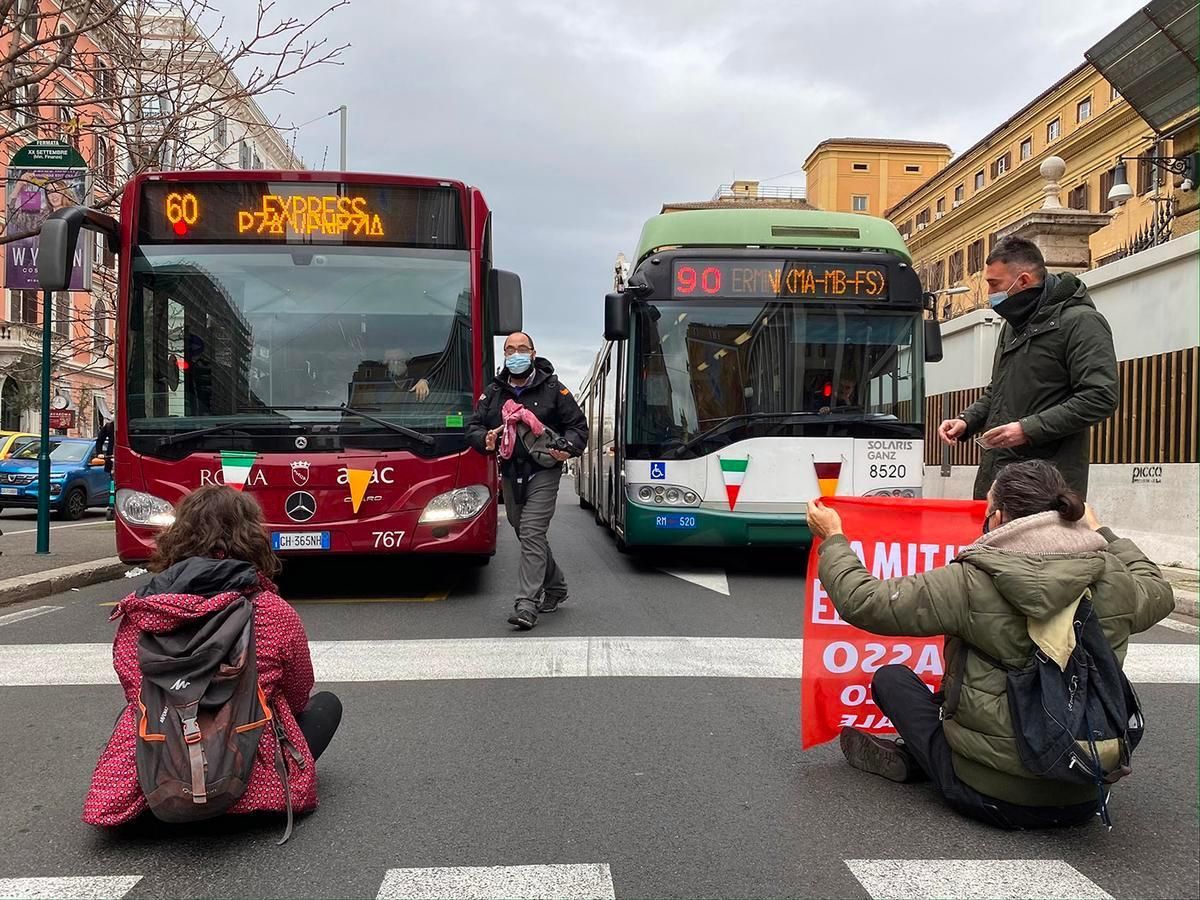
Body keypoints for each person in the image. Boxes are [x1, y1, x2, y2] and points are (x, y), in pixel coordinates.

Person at [806, 459, 1173, 829]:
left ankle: (921, 757)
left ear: (997, 519)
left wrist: (834, 539)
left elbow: (865, 601)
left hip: (989, 795)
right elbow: (1159, 590)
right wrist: (1103, 532)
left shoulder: (970, 580)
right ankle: (923, 753)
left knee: (892, 679)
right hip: (1086, 791)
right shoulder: (1115, 579)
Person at [83, 486, 342, 827]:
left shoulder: (141, 612)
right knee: (326, 704)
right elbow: (297, 691)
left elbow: (135, 690)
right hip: (247, 772)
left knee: (131, 711)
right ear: (251, 538)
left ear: (178, 537)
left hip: (159, 779)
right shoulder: (271, 610)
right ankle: (252, 792)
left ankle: (158, 790)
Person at [936, 236, 1118, 500]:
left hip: (1045, 487)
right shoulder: (1013, 326)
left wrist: (1026, 430)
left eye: (994, 284)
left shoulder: (1081, 322)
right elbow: (997, 391)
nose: (989, 295)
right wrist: (966, 421)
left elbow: (1100, 397)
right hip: (1000, 479)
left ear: (1023, 280)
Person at [466, 331, 588, 630]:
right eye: (510, 349)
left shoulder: (554, 389)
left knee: (532, 531)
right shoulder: (493, 392)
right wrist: (486, 439)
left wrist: (566, 449)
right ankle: (556, 586)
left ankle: (526, 603)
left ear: (533, 353)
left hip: (543, 470)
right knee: (522, 529)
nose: (516, 354)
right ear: (504, 354)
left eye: (522, 348)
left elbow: (578, 428)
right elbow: (473, 427)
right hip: (510, 471)